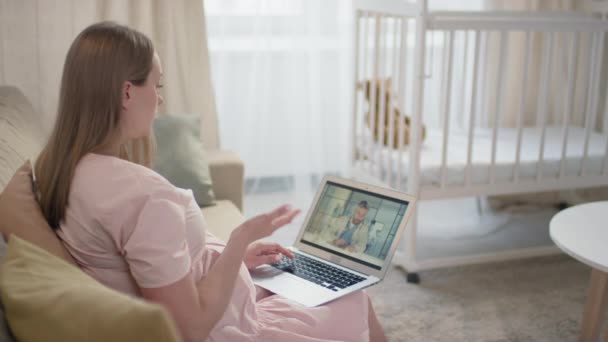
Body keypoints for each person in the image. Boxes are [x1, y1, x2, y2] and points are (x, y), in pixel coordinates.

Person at [34, 21, 387, 342]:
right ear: (127, 93)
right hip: (229, 328)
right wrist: (239, 240)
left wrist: (236, 261)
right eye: (155, 86)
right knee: (354, 296)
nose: (159, 99)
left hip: (218, 297)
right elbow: (190, 327)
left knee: (311, 284)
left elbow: (153, 274)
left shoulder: (60, 167)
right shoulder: (144, 196)